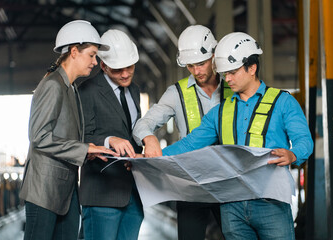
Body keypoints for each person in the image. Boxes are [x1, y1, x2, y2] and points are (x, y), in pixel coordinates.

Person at [162, 32, 314, 239]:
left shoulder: (283, 102)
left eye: (233, 72)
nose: (228, 79)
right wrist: (150, 157)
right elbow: (190, 143)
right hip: (231, 207)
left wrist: (293, 155)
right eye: (225, 73)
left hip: (271, 204)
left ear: (252, 68)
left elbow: (304, 141)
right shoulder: (220, 112)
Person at [19, 20, 118, 240]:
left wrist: (91, 150)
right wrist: (84, 150)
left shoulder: (70, 88)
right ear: (74, 52)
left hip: (65, 189)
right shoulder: (53, 85)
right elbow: (39, 137)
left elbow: (67, 137)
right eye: (92, 55)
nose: (95, 61)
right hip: (44, 191)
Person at [133, 25, 229, 240]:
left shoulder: (233, 86)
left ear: (214, 55)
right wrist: (149, 139)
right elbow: (143, 124)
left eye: (201, 64)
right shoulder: (176, 93)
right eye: (190, 66)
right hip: (191, 183)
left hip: (228, 182)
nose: (196, 71)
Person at [78, 29, 144, 240]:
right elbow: (78, 136)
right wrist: (109, 140)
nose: (125, 74)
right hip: (102, 195)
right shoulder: (86, 91)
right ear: (104, 66)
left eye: (130, 67)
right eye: (118, 69)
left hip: (133, 192)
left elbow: (133, 130)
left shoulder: (134, 90)